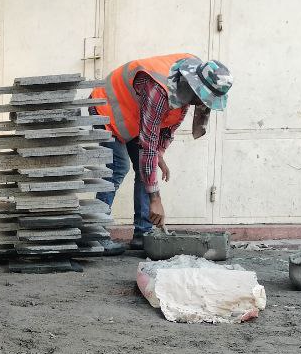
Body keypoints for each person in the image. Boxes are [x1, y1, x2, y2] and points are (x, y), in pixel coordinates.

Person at [92, 55, 233, 248]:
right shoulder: (158, 89)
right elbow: (147, 146)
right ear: (195, 87)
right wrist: (155, 199)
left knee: (144, 169)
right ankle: (96, 234)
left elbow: (170, 122)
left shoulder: (192, 77)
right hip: (106, 107)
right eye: (205, 99)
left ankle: (143, 234)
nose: (205, 104)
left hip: (133, 116)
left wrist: (159, 153)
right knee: (119, 167)